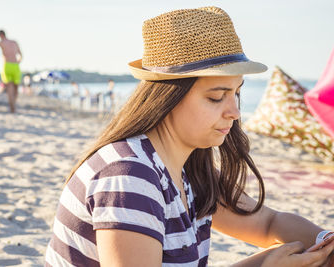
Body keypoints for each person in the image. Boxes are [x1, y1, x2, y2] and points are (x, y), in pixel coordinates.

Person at [45, 7, 334, 266]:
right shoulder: (129, 177)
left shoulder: (187, 167)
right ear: (168, 99)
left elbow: (269, 223)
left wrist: (326, 241)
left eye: (236, 92)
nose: (234, 111)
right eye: (216, 97)